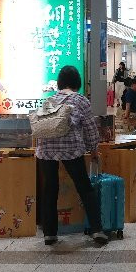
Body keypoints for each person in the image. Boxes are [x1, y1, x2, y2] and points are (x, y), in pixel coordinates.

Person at [35, 65, 109, 247]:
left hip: (46, 151)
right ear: (77, 82)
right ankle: (97, 230)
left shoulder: (49, 100)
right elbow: (91, 128)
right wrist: (93, 149)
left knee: (50, 190)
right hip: (71, 149)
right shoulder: (80, 100)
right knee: (85, 188)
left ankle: (49, 234)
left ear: (60, 82)